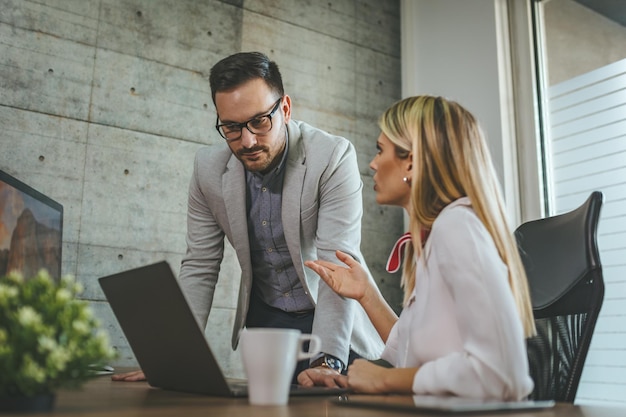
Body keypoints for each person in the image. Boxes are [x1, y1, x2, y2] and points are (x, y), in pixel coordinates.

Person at [113, 52, 383, 382]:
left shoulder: (332, 156)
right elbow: (200, 265)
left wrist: (328, 360)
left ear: (284, 108)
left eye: (260, 121)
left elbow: (336, 267)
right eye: (231, 127)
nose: (248, 141)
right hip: (267, 326)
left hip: (332, 324)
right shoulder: (207, 170)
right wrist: (170, 357)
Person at [298, 95, 536, 401]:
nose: (372, 164)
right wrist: (366, 295)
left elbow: (502, 373)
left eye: (380, 150)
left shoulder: (457, 227)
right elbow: (412, 357)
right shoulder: (435, 237)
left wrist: (385, 380)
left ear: (410, 160)